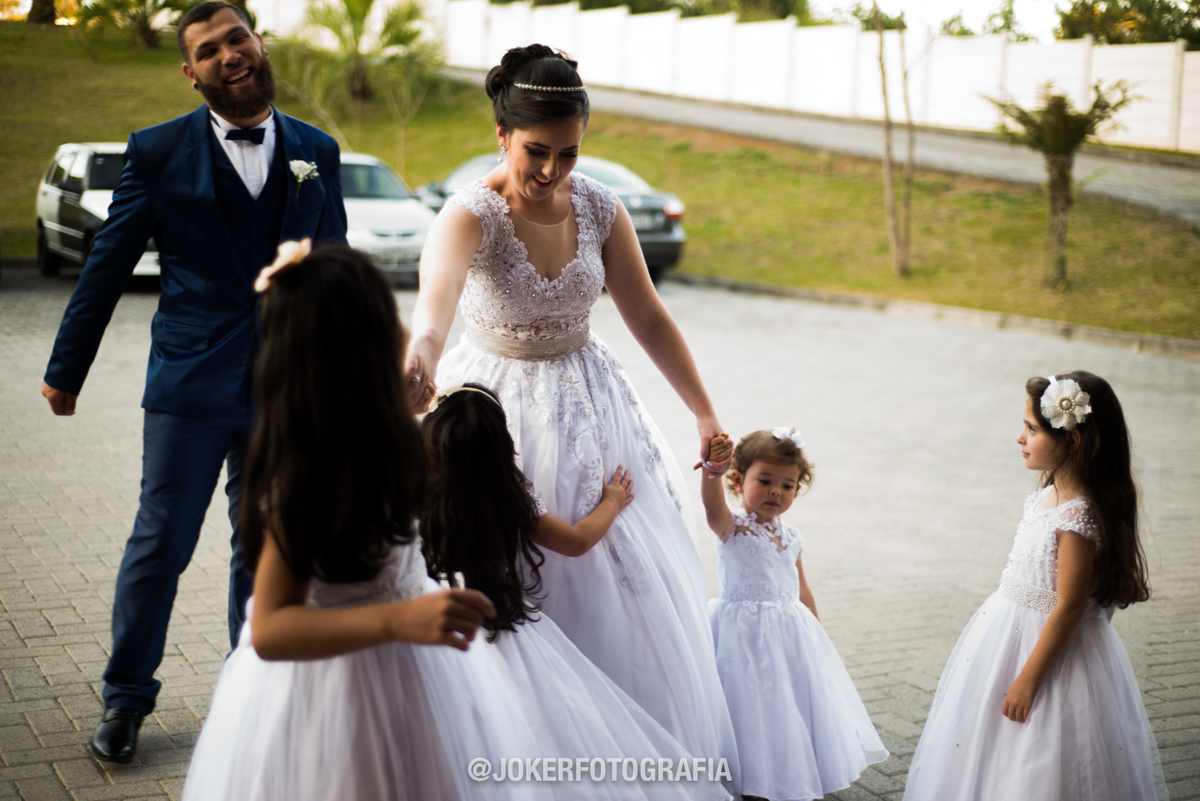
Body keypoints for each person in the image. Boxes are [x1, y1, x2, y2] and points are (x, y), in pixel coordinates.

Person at [404, 43, 739, 780]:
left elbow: (648, 317)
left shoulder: (599, 207)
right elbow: (433, 310)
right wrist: (420, 361)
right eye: (535, 152)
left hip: (592, 405)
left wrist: (704, 412)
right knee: (524, 570)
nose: (551, 171)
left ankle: (632, 757)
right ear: (500, 133)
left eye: (568, 153)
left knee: (624, 583)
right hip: (497, 414)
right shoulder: (468, 216)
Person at [39, 1, 347, 762]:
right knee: (161, 542)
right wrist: (65, 368)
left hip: (284, 386)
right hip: (188, 382)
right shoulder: (155, 151)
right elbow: (108, 262)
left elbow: (335, 271)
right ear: (191, 72)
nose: (229, 56)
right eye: (209, 51)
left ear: (259, 41)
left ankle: (254, 701)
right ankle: (126, 697)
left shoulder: (317, 149)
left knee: (265, 544)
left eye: (236, 38)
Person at [182, 245, 532, 801]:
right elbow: (271, 629)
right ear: (360, 348)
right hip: (333, 696)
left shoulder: (373, 431)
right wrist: (397, 621)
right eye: (387, 310)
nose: (403, 320)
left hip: (410, 673)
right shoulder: (312, 477)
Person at [420, 385, 733, 801]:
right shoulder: (510, 499)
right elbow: (576, 541)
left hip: (434, 626)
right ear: (501, 450)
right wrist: (613, 501)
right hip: (502, 624)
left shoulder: (414, 499)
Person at [903, 372, 1168, 801]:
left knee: (1044, 754)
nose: (1019, 437)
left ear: (1072, 441)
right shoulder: (1050, 495)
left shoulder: (1077, 517)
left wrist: (1029, 678)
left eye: (1031, 428)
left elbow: (1069, 606)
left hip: (1049, 656)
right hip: (1008, 638)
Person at [701, 429, 888, 801]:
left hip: (789, 637)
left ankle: (784, 775)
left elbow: (800, 586)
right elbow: (711, 507)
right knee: (750, 707)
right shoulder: (732, 528)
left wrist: (816, 631)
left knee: (785, 709)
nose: (775, 492)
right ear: (739, 481)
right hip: (743, 639)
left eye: (787, 485)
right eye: (765, 481)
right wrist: (712, 472)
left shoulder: (793, 537)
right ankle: (749, 779)